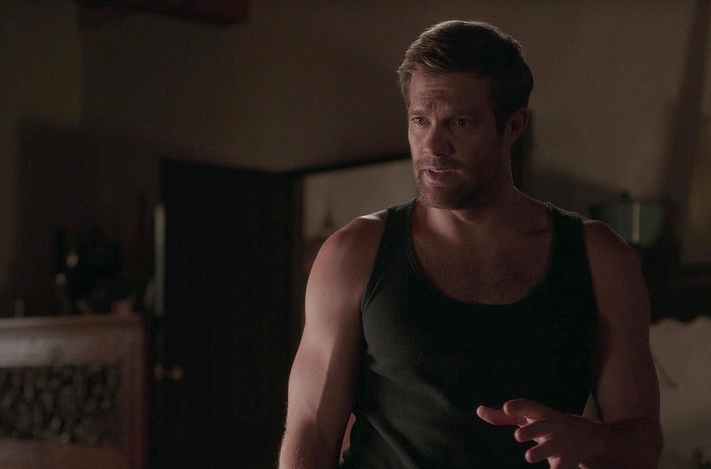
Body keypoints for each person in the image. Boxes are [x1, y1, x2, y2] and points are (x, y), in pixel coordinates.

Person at [278, 20, 662, 468]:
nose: (433, 145)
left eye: (459, 123)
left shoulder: (599, 259)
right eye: (420, 121)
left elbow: (642, 441)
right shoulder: (353, 254)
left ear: (513, 126)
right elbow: (311, 434)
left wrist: (592, 440)